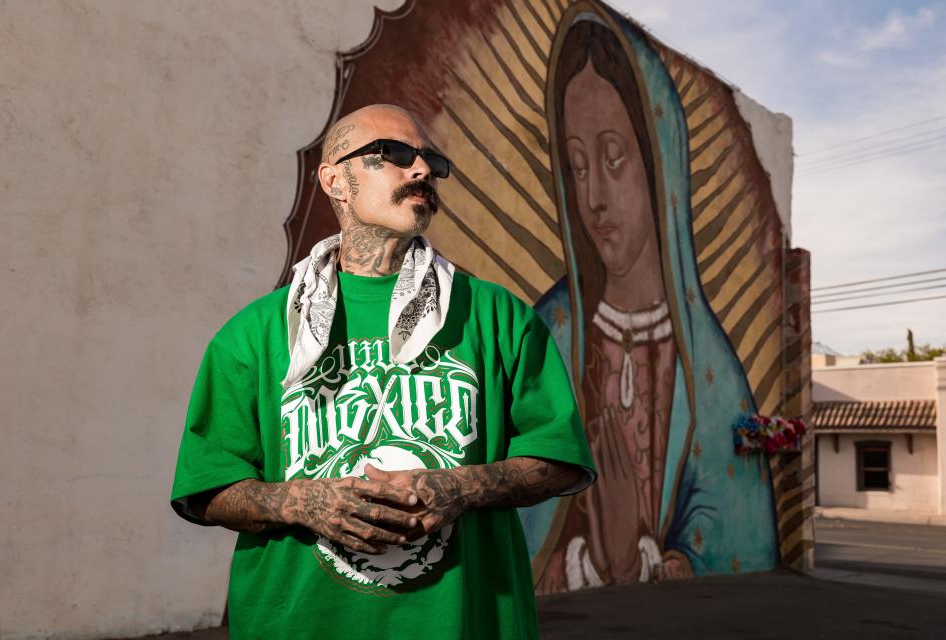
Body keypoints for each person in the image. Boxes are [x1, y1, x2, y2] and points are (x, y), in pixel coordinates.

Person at [170, 104, 595, 639]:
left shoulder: (497, 317)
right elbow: (209, 489)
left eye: (431, 162)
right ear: (334, 181)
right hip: (299, 625)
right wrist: (304, 501)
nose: (420, 170)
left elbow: (561, 460)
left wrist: (462, 486)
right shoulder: (253, 334)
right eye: (393, 154)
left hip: (464, 623)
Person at [520, 8, 778, 592]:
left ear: (660, 165)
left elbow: (737, 538)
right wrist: (585, 559)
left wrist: (640, 563)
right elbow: (510, 524)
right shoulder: (546, 335)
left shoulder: (710, 369)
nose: (594, 198)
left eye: (614, 158)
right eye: (578, 166)